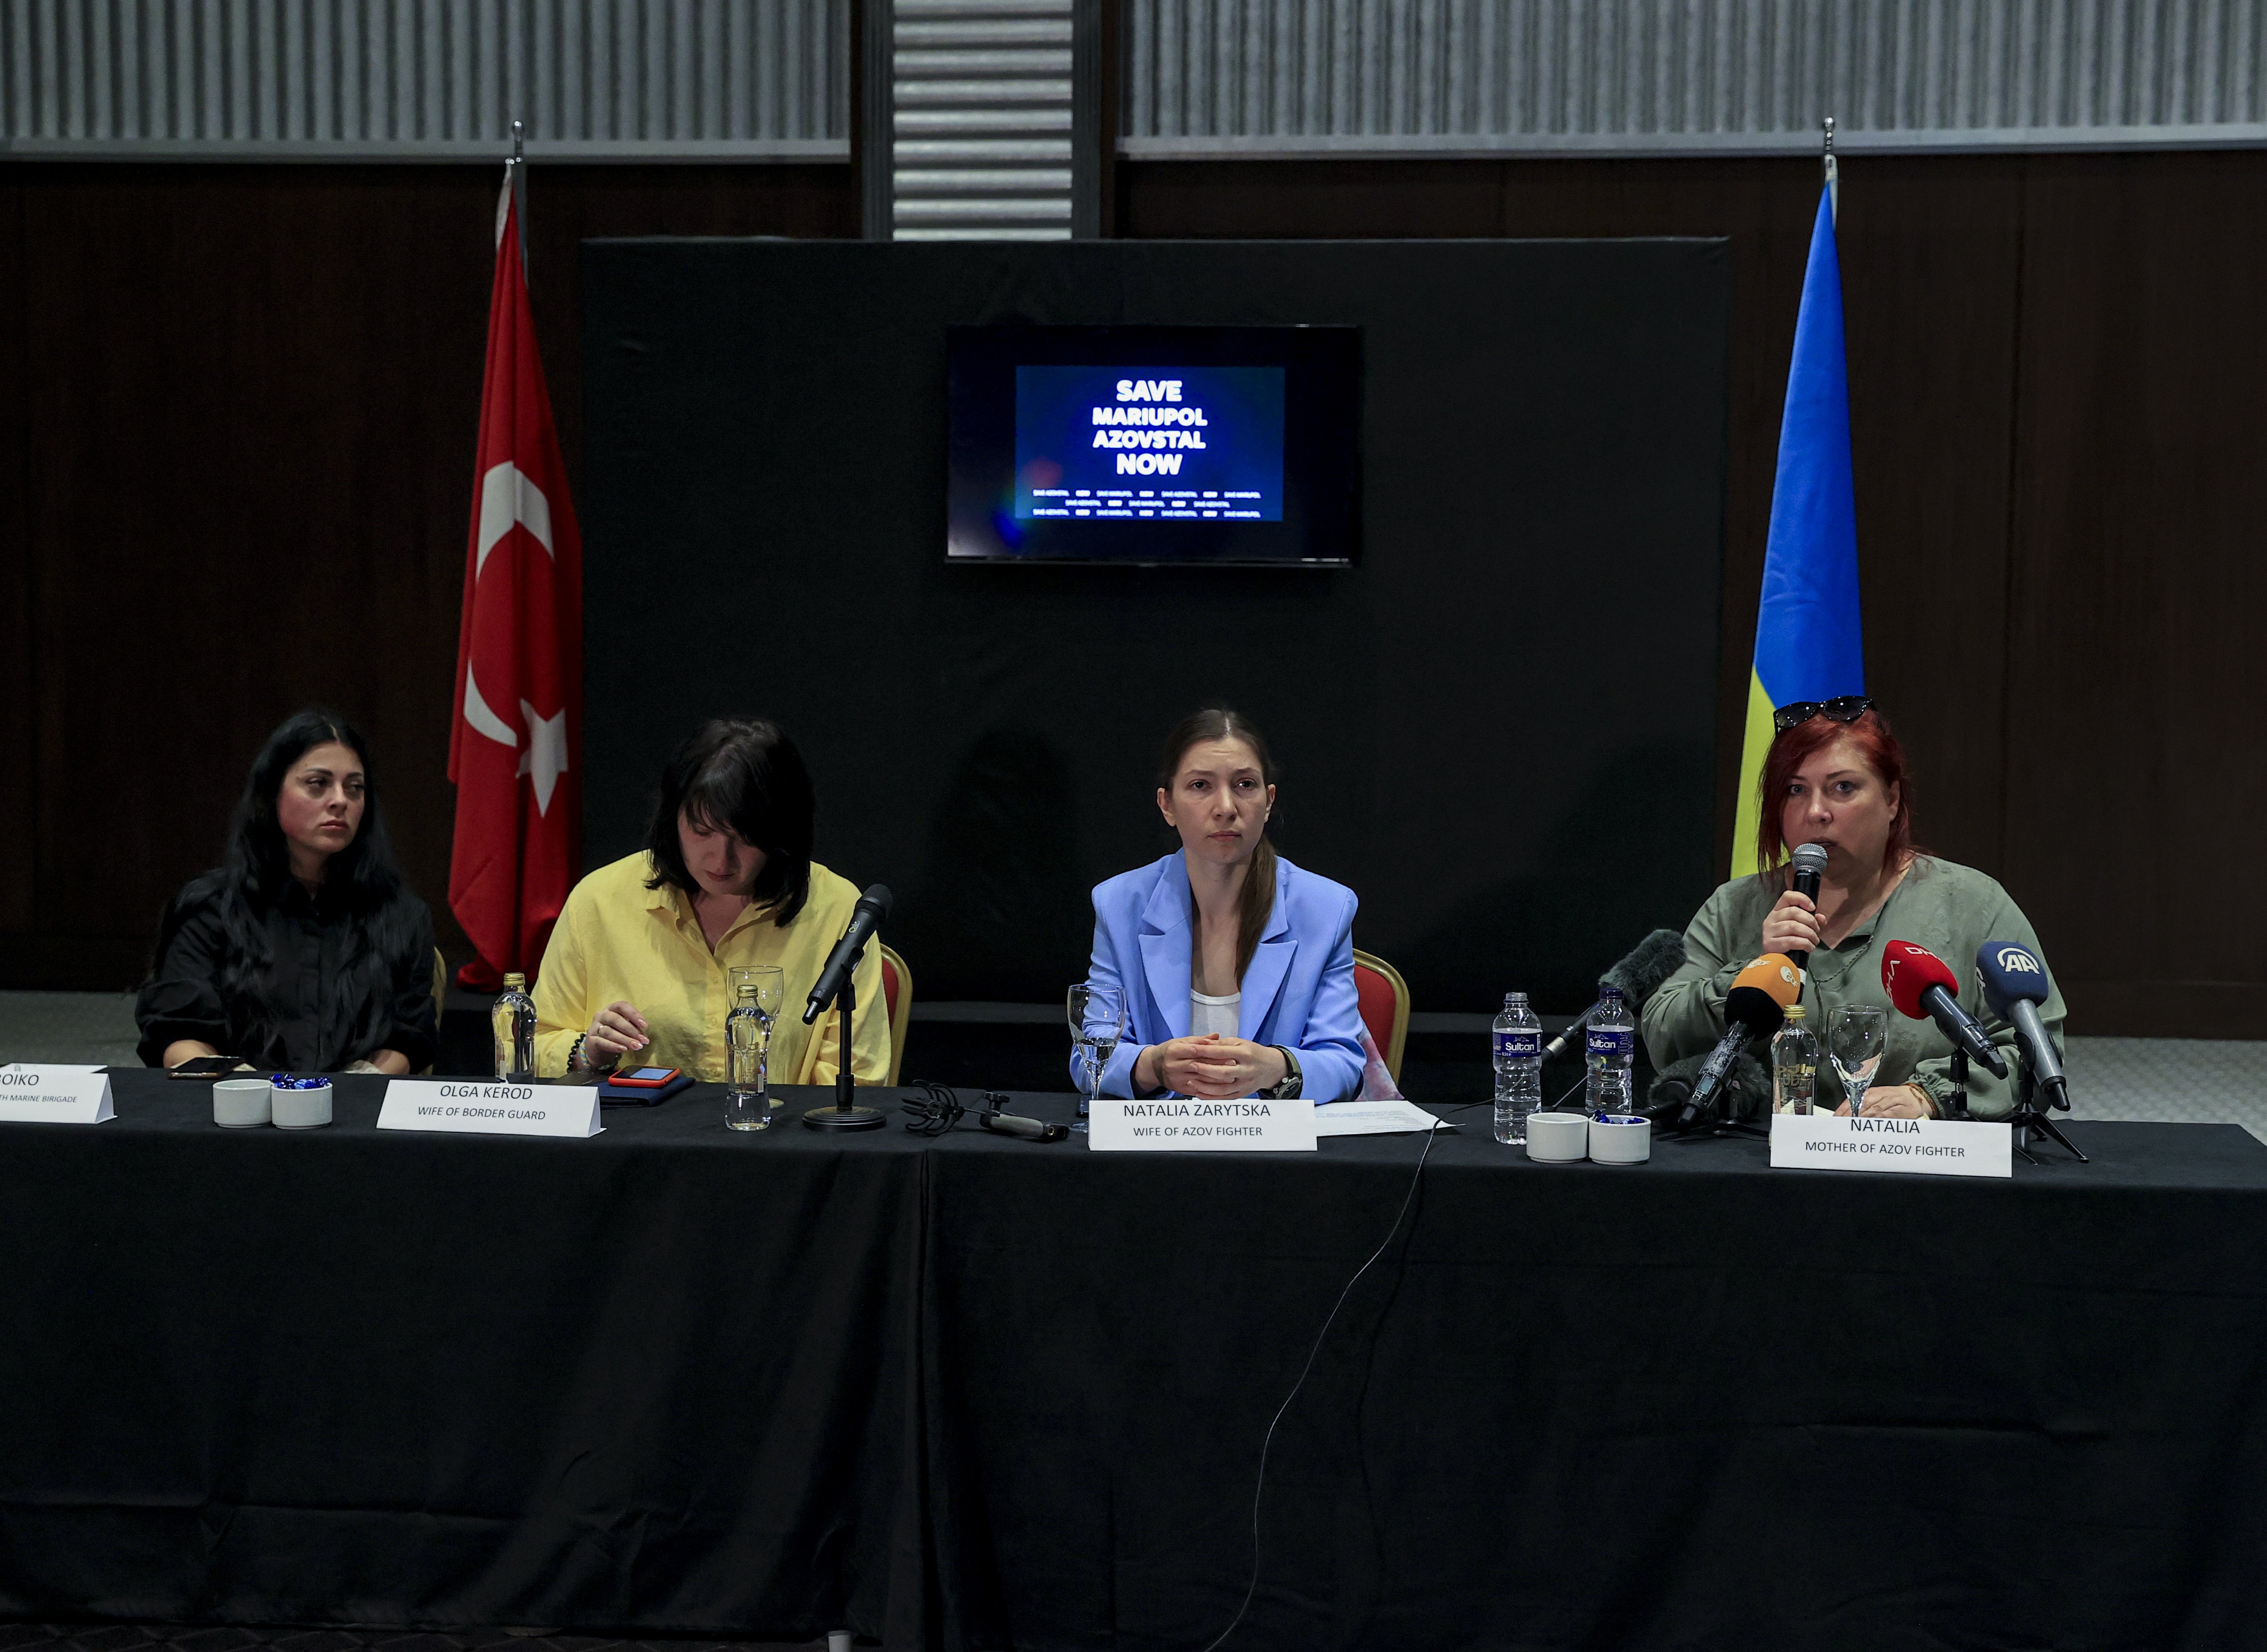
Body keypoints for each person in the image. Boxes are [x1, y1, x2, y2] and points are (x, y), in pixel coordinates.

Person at [1642, 698, 2063, 1120]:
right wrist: (1753, 969)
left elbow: (2038, 1053)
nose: (1815, 813)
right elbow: (1664, 1038)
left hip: (1915, 1164)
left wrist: (1930, 1096)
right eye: (1795, 790)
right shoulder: (1734, 907)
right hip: (1762, 1162)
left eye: (1843, 788)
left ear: (1892, 800)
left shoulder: (1972, 903)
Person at [532, 717, 887, 1085]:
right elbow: (530, 1046)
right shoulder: (600, 900)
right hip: (634, 1138)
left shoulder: (837, 908)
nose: (721, 861)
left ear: (783, 833)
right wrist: (588, 1052)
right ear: (673, 819)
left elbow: (859, 1077)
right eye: (702, 832)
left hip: (780, 1136)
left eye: (746, 838)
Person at [1076, 707, 1366, 1101]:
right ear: (1167, 805)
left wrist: (1274, 1068)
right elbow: (1089, 1056)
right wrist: (1155, 1065)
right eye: (1200, 786)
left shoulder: (1326, 909)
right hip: (1158, 1151)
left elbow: (1345, 1066)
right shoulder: (1120, 904)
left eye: (1245, 784)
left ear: (1268, 801)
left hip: (1278, 1155)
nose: (1226, 807)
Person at [137, 709, 438, 1074]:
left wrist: (359, 1087)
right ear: (272, 793)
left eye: (355, 788)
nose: (340, 801)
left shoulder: (401, 915)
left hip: (356, 1115)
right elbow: (177, 1033)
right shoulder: (210, 909)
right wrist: (244, 1087)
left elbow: (409, 1037)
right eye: (318, 783)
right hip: (233, 1115)